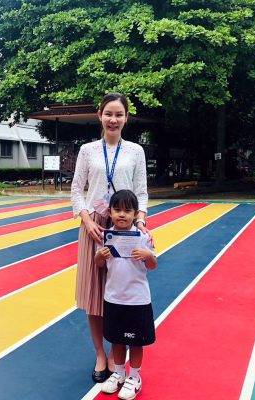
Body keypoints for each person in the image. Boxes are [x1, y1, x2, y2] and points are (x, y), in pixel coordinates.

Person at [71, 93, 151, 383]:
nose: (113, 120)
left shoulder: (136, 151)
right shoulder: (88, 150)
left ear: (126, 118)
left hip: (125, 229)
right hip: (94, 227)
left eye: (119, 114)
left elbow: (141, 191)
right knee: (94, 295)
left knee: (123, 292)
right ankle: (100, 354)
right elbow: (76, 189)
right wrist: (87, 220)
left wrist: (140, 221)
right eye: (108, 114)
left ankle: (121, 358)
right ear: (99, 116)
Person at [94, 190, 157, 400]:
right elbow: (99, 264)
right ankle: (119, 373)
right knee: (117, 339)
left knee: (136, 341)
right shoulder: (106, 237)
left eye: (127, 210)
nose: (122, 214)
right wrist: (100, 256)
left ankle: (135, 377)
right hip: (113, 298)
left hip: (137, 300)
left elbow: (153, 265)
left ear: (135, 214)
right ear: (110, 212)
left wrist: (148, 255)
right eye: (117, 210)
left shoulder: (143, 237)